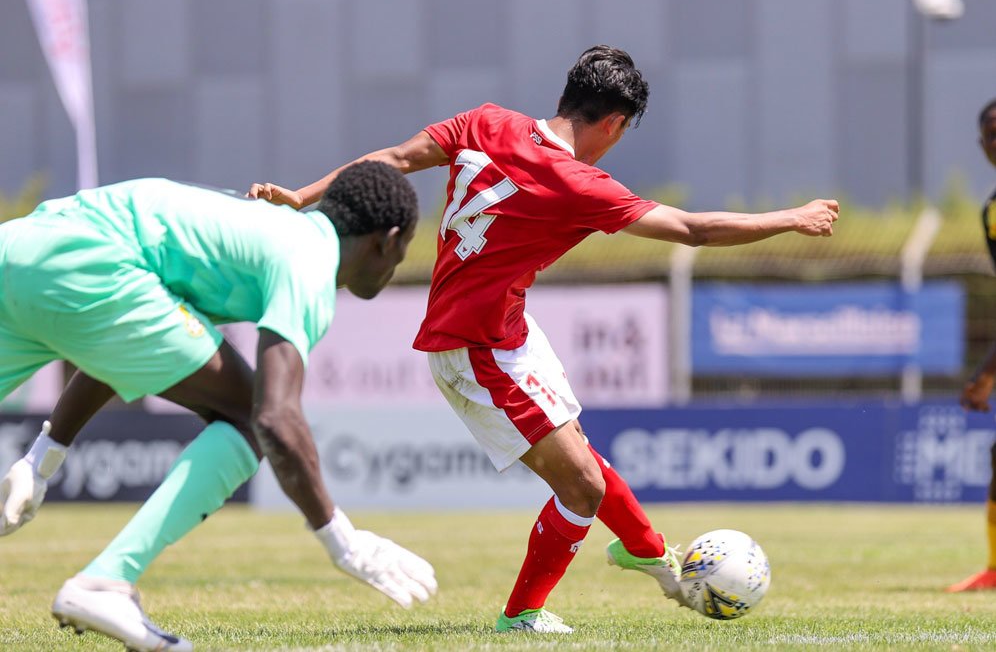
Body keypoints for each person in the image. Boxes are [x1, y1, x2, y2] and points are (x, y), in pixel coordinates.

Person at [249, 45, 840, 633]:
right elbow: (691, 229)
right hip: (474, 347)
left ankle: (647, 551)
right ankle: (522, 617)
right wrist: (791, 217)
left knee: (581, 457)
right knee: (581, 485)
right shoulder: (579, 183)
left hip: (507, 327)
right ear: (613, 123)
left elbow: (393, 161)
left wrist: (304, 197)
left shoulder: (485, 122)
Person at [0, 162, 437, 651]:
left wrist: (43, 459)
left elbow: (108, 344)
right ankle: (105, 583)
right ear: (390, 240)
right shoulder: (310, 260)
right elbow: (274, 416)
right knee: (246, 419)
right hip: (95, 266)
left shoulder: (250, 224)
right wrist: (344, 542)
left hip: (23, 245)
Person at [948, 97, 996, 593]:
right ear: (982, 146)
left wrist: (986, 373)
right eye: (992, 133)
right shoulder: (992, 211)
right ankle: (995, 568)